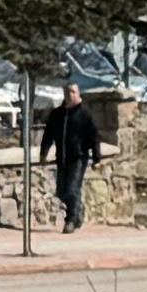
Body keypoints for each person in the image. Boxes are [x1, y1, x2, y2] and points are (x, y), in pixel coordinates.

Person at [45, 81, 107, 233]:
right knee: (61, 191)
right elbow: (48, 134)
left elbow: (94, 137)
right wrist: (43, 152)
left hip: (78, 158)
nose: (69, 95)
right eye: (67, 92)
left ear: (78, 94)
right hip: (62, 158)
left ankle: (71, 220)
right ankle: (77, 213)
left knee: (72, 189)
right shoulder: (58, 114)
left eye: (72, 92)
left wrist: (97, 158)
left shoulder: (84, 114)